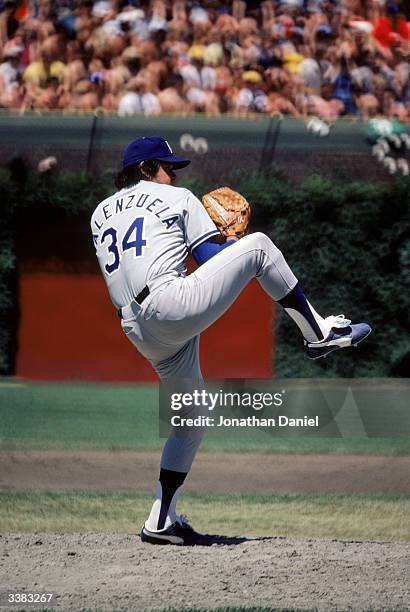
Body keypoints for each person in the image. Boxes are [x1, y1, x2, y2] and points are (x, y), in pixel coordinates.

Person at [91, 136, 372, 546]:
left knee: (191, 420)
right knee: (258, 247)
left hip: (138, 329)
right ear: (146, 168)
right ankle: (319, 333)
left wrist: (217, 246)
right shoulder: (178, 198)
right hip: (170, 304)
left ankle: (161, 520)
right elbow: (208, 258)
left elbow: (142, 257)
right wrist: (230, 242)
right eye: (168, 166)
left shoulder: (99, 213)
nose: (175, 174)